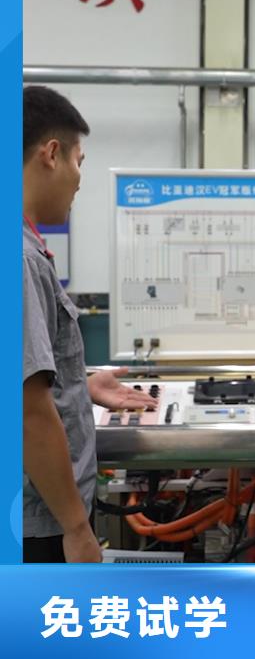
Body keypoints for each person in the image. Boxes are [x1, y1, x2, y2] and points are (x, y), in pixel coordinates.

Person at [23, 85, 157, 562]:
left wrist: (79, 384)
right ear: (51, 154)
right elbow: (27, 411)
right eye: (79, 161)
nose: (80, 179)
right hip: (41, 525)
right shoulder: (20, 259)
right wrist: (77, 528)